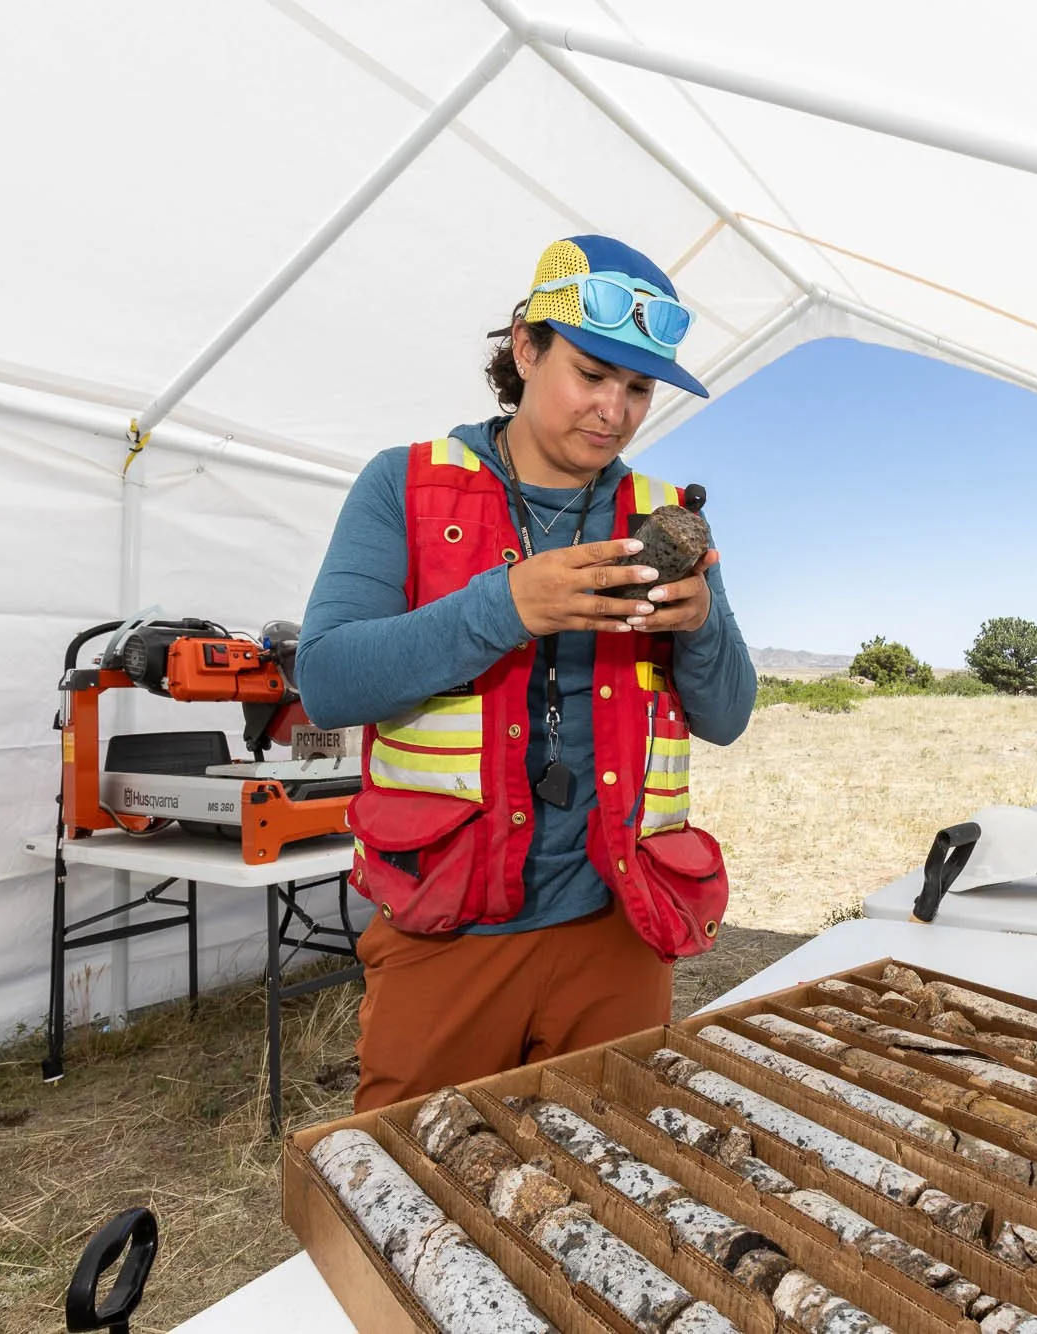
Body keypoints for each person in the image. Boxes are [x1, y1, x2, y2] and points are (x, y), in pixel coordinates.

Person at [297, 235, 756, 1112]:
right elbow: (328, 679)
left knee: (615, 1174)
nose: (615, 411)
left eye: (637, 388)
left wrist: (699, 627)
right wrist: (507, 606)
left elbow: (729, 713)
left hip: (618, 927)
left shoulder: (664, 517)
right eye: (592, 373)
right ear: (524, 345)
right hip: (450, 931)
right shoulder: (406, 484)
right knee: (414, 1185)